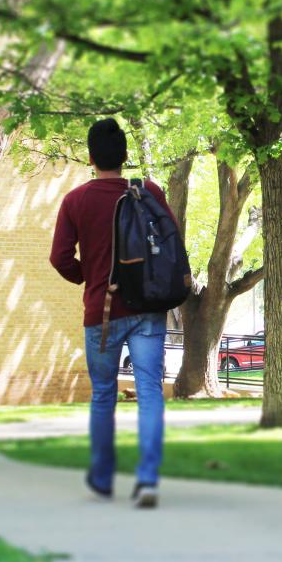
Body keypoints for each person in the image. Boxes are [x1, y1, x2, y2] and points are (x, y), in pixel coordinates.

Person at [49, 117, 176, 509]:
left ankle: (103, 479)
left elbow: (59, 258)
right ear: (125, 156)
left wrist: (90, 277)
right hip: (148, 308)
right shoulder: (149, 191)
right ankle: (148, 479)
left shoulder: (75, 201)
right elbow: (173, 245)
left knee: (104, 394)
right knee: (150, 391)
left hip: (100, 313)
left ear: (91, 157)